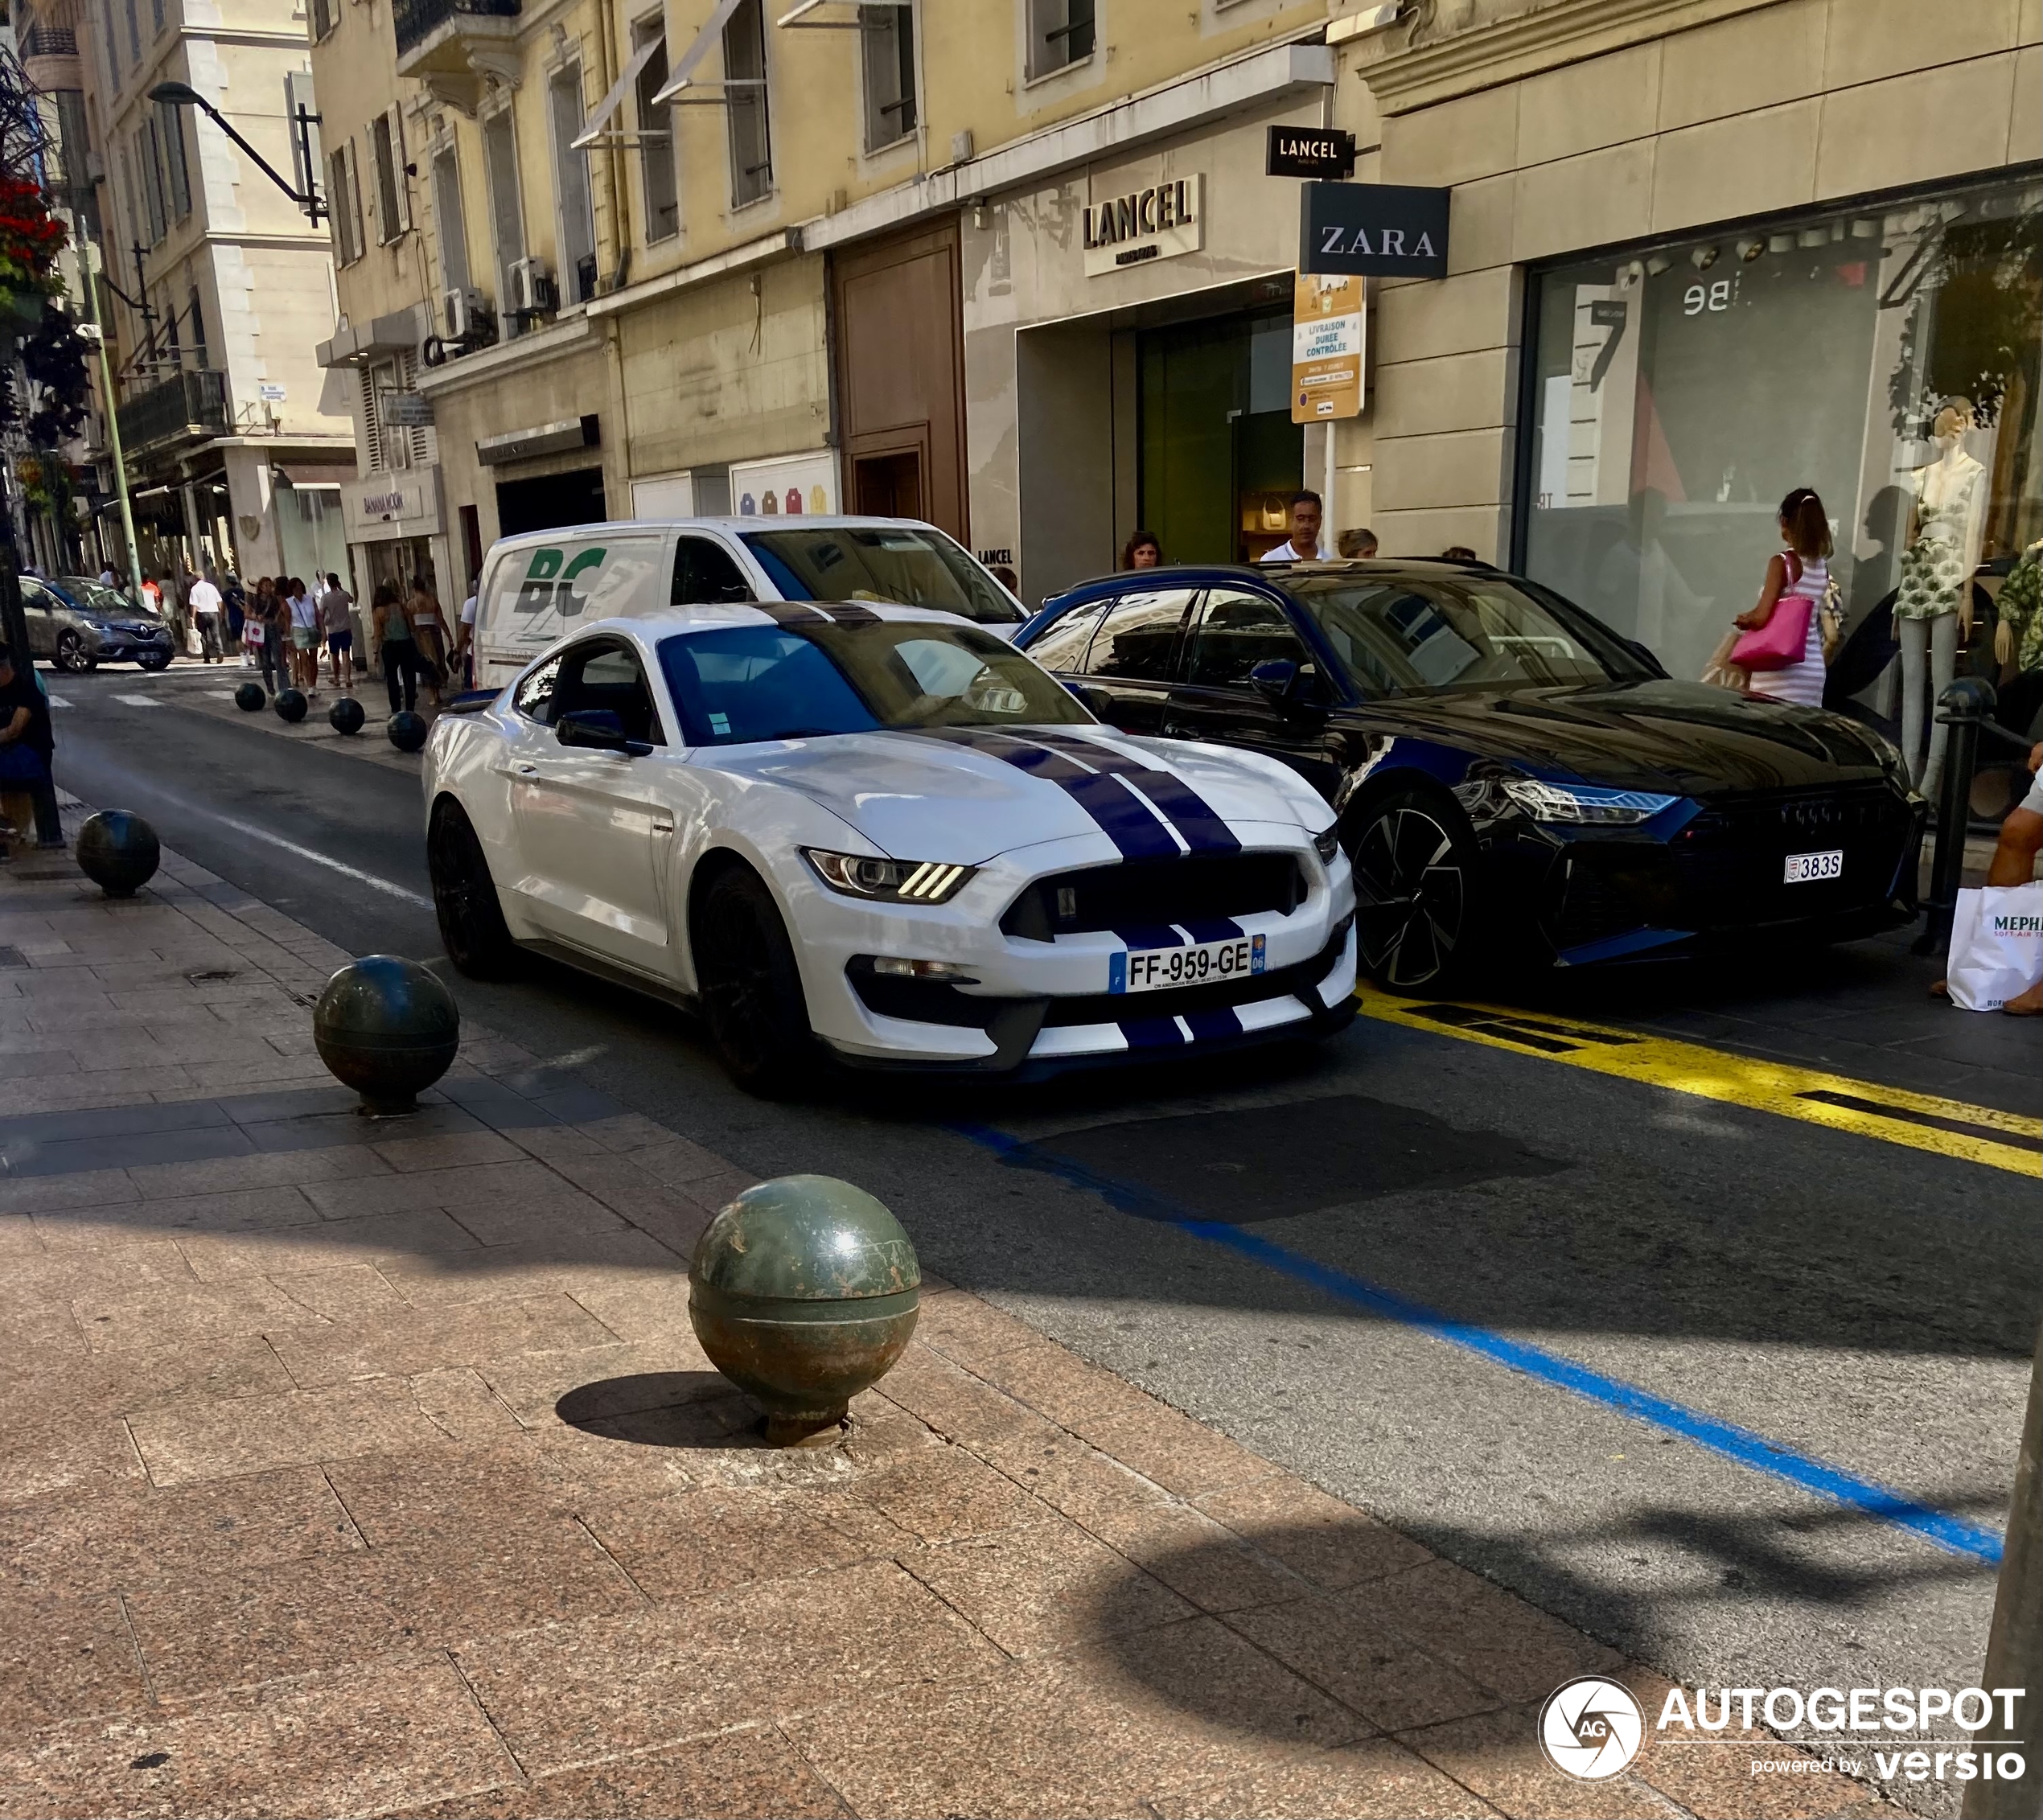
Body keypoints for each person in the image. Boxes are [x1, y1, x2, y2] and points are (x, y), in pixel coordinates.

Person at [1734, 486, 1831, 709]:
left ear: (1785, 523)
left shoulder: (1782, 563)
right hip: (1812, 669)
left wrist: (1745, 619)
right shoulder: (1822, 567)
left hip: (1778, 671)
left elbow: (1761, 617)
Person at [0, 639, 58, 859]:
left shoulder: (26, 690)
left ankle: (8, 835)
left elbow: (15, 730)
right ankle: (8, 834)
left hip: (28, 756)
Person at [373, 582, 424, 717]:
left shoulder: (379, 611)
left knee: (392, 678)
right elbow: (412, 627)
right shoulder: (402, 607)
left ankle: (395, 709)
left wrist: (375, 652)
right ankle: (410, 708)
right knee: (409, 676)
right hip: (406, 644)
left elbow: (378, 634)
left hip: (390, 646)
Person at [408, 576, 450, 709]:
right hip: (435, 634)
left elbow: (410, 624)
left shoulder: (412, 604)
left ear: (414, 588)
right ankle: (437, 693)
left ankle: (432, 695)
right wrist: (449, 637)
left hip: (421, 637)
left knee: (426, 664)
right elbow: (441, 620)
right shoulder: (433, 600)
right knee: (438, 661)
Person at [1260, 492, 1326, 563]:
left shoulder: (1330, 561)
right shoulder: (1270, 561)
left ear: (1320, 521)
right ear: (1291, 520)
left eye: (1312, 519)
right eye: (1300, 519)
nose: (1306, 526)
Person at [319, 571, 356, 692]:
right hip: (346, 628)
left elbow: (321, 613)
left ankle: (336, 678)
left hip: (333, 630)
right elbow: (351, 600)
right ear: (338, 582)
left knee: (334, 655)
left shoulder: (326, 598)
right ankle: (348, 678)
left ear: (328, 583)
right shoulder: (344, 595)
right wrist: (341, 588)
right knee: (346, 654)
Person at [287, 577, 321, 693]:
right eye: (295, 587)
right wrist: (289, 637)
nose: (298, 589)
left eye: (299, 586)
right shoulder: (289, 602)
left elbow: (318, 616)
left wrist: (323, 631)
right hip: (298, 631)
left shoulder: (310, 599)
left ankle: (314, 683)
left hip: (312, 629)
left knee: (313, 659)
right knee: (304, 658)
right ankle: (310, 685)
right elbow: (287, 620)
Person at [187, 569, 224, 663]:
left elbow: (194, 605)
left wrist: (192, 618)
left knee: (203, 636)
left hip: (201, 614)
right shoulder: (211, 587)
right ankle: (220, 651)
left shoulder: (194, 589)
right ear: (203, 577)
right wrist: (221, 613)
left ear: (195, 579)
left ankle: (207, 657)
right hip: (213, 612)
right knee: (216, 634)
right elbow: (219, 601)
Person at [456, 574, 480, 688]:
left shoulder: (470, 604)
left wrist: (458, 650)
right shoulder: (497, 601)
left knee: (470, 687)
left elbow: (464, 630)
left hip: (475, 652)